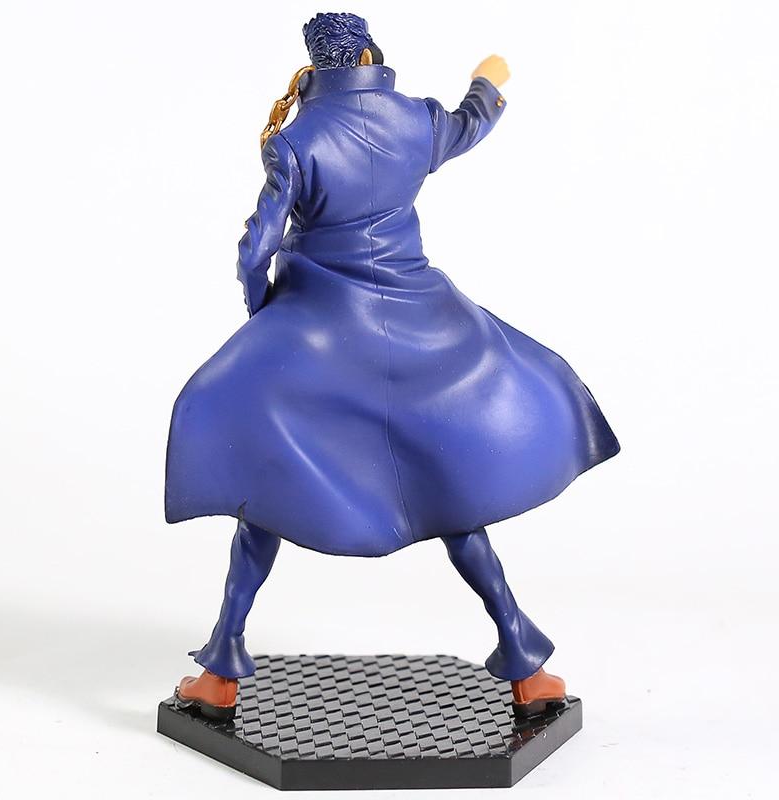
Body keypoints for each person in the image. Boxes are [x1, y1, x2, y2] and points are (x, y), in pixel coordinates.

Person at [168, 12, 620, 722]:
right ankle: (526, 664)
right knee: (454, 492)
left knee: (266, 477)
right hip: (422, 323)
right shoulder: (413, 118)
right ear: (369, 56)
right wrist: (488, 80)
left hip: (320, 332)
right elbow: (470, 122)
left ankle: (223, 667)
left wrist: (266, 317)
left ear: (317, 65)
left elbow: (256, 249)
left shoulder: (295, 141)